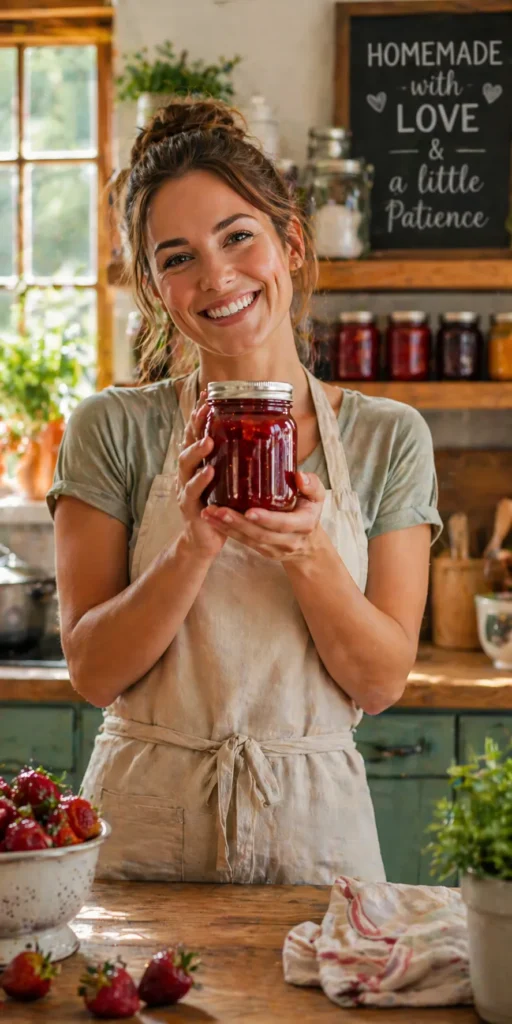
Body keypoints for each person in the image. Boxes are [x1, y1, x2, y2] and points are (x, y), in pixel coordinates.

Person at [47, 98, 442, 885]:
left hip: (314, 835)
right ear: (157, 289)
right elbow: (93, 673)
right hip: (143, 830)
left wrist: (308, 552)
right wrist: (193, 544)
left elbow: (380, 680)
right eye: (178, 257)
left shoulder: (386, 437)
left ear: (290, 244)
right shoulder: (111, 428)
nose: (217, 277)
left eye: (238, 237)